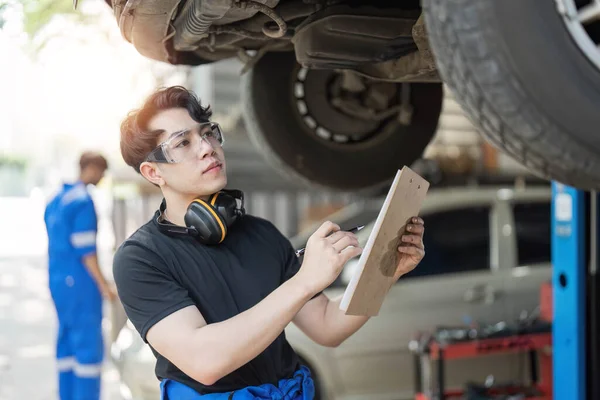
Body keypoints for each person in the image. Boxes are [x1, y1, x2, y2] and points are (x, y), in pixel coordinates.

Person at [112, 86, 426, 400]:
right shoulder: (141, 258)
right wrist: (304, 280)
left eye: (207, 133)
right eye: (183, 142)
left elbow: (328, 326)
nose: (207, 148)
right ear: (153, 172)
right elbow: (205, 361)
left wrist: (387, 272)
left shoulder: (260, 234)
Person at [43, 151, 117, 400]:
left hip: (58, 281)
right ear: (92, 168)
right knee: (87, 347)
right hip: (80, 284)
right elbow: (87, 253)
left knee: (66, 342)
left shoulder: (58, 198)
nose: (102, 177)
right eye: (102, 171)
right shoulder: (83, 201)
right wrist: (105, 286)